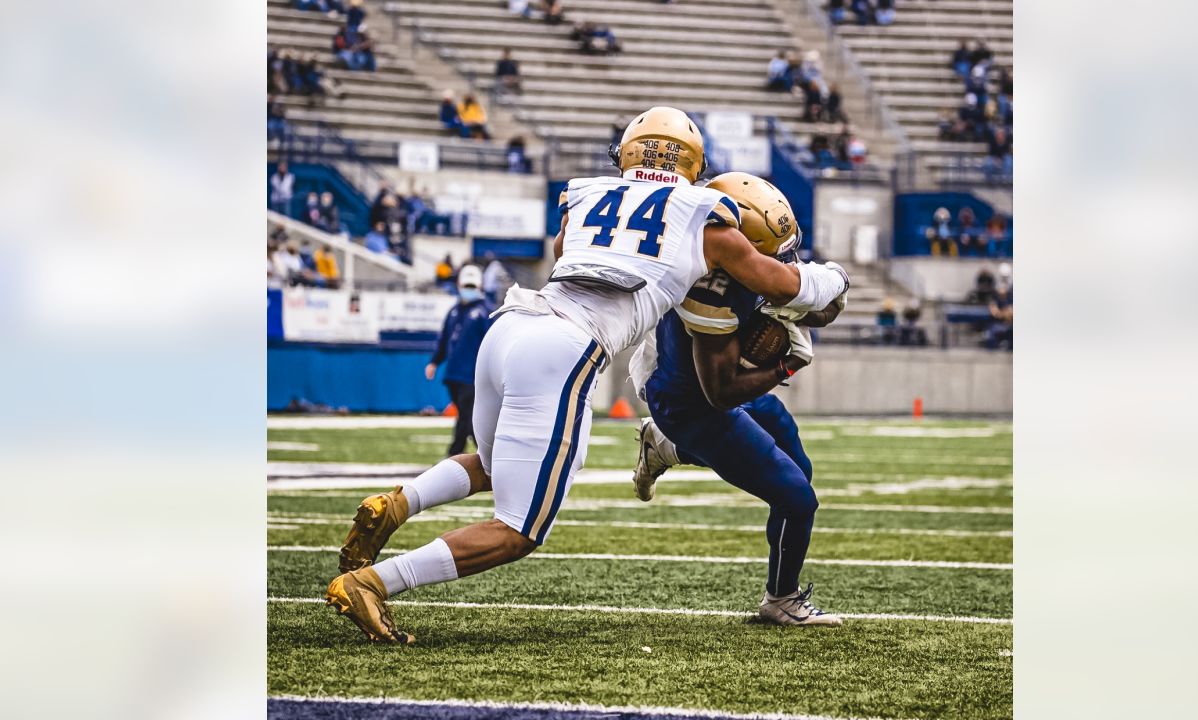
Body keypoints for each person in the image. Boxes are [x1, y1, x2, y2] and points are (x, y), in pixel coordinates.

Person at [323, 106, 850, 644]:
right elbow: (787, 287)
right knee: (519, 530)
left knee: (490, 462)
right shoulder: (706, 216)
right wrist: (834, 276)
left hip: (510, 325)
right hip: (564, 349)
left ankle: (396, 504)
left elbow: (563, 251)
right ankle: (373, 582)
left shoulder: (587, 197)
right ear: (692, 164)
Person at [628, 172, 845, 625]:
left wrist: (828, 289)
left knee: (799, 470)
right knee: (796, 499)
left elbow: (814, 305)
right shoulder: (711, 293)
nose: (782, 262)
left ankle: (665, 448)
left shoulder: (733, 264)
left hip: (711, 387)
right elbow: (721, 393)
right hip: (693, 404)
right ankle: (781, 600)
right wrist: (785, 366)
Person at [425, 265, 493, 457]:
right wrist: (434, 362)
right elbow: (445, 338)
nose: (468, 289)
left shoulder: (485, 312)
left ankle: (457, 453)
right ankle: (480, 453)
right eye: (466, 285)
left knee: (468, 416)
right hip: (454, 373)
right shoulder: (454, 311)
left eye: (472, 286)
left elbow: (493, 343)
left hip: (472, 375)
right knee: (465, 416)